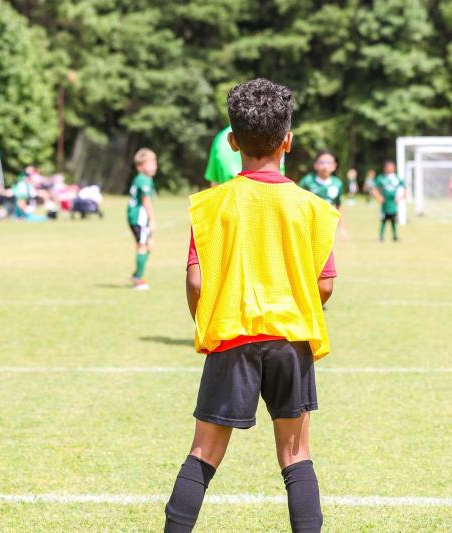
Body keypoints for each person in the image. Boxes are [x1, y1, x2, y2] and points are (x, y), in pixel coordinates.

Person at [166, 78, 339, 533]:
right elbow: (324, 285)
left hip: (232, 337)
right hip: (290, 340)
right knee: (296, 455)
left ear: (231, 141)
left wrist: (208, 321)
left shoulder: (211, 206)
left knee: (203, 452)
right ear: (288, 141)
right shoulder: (311, 207)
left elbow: (196, 280)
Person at [298, 150, 348, 240]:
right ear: (315, 165)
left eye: (329, 163)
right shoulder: (307, 181)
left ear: (334, 166)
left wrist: (342, 228)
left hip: (327, 226)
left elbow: (339, 205)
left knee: (327, 252)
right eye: (321, 162)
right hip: (308, 226)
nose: (325, 166)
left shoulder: (337, 183)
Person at [127, 148, 157, 290]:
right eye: (149, 163)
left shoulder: (144, 178)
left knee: (149, 245)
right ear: (140, 167)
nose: (153, 166)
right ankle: (138, 279)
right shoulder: (143, 179)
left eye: (154, 162)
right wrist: (152, 220)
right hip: (139, 218)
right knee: (143, 246)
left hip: (139, 218)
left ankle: (137, 273)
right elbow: (146, 201)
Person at [371, 161, 405, 242]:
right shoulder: (381, 178)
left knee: (393, 220)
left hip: (393, 204)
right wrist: (379, 197)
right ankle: (381, 236)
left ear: (394, 168)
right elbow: (374, 188)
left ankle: (395, 236)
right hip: (385, 204)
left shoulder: (397, 178)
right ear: (385, 168)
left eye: (391, 166)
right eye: (388, 167)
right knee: (384, 220)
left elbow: (404, 189)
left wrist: (399, 198)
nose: (389, 168)